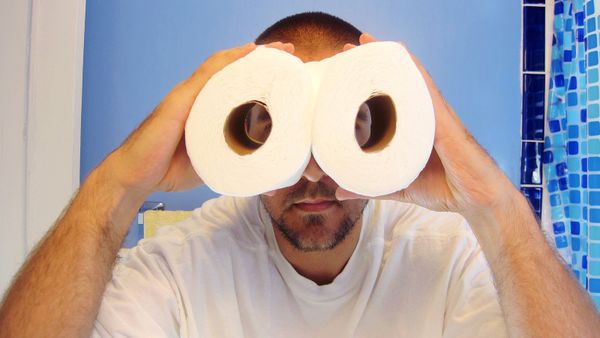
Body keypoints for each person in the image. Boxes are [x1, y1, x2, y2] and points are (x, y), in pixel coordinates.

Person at [0, 11, 599, 337]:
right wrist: (115, 186)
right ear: (230, 132)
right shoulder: (182, 265)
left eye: (347, 127)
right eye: (273, 127)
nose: (314, 172)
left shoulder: (448, 258)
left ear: (389, 127)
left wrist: (493, 204)